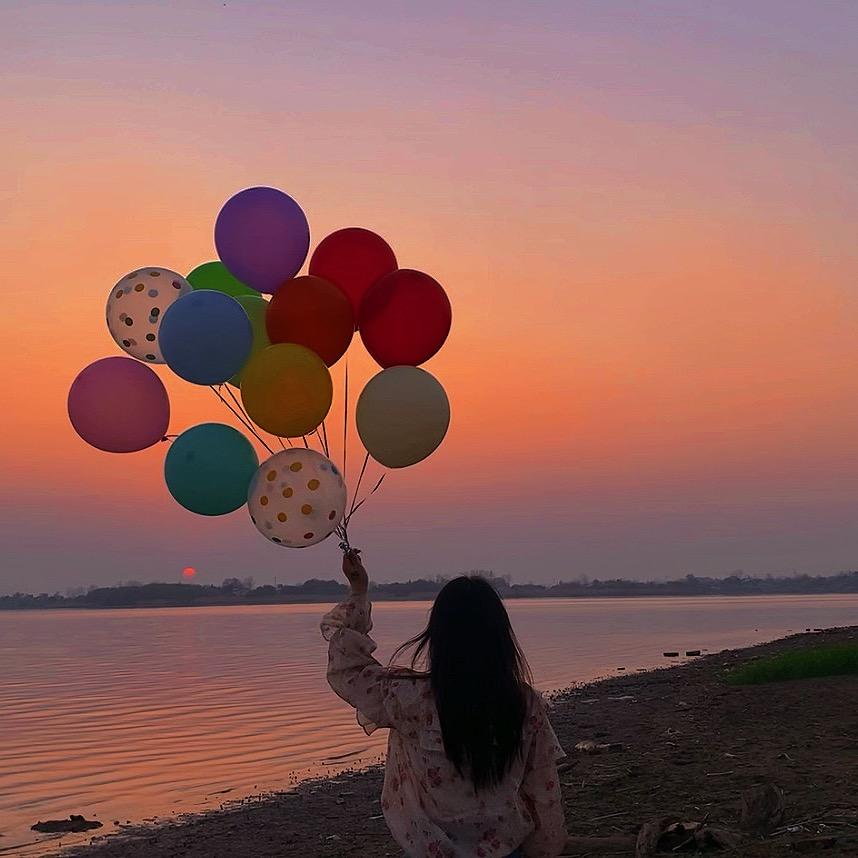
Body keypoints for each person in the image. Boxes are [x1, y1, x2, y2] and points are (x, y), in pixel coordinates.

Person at [321, 550, 567, 858]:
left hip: (430, 850)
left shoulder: (409, 698)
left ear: (437, 636)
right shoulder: (524, 703)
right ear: (501, 638)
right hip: (506, 850)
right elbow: (543, 789)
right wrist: (546, 849)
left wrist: (358, 592)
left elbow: (347, 667)